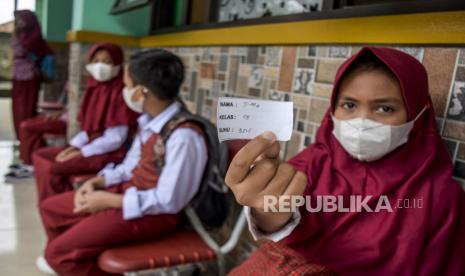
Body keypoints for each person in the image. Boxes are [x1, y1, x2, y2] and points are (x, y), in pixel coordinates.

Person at [226, 47, 465, 275]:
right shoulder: (314, 162)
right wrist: (267, 209)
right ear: (333, 109)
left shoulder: (441, 200)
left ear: (416, 115)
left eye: (384, 108)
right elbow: (278, 210)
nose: (362, 120)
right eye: (349, 105)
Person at [36, 49, 208, 275]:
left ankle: (74, 256)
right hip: (127, 193)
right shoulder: (149, 122)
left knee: (58, 255)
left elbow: (169, 201)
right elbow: (129, 166)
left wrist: (109, 200)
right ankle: (81, 254)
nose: (124, 91)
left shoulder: (184, 137)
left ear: (140, 93)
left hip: (152, 214)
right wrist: (99, 181)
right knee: (51, 209)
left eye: (126, 86)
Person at [32, 42, 138, 202]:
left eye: (108, 62)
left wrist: (81, 152)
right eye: (96, 61)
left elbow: (115, 140)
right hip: (90, 146)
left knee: (53, 168)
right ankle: (55, 203)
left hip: (109, 153)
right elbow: (87, 130)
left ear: (117, 64)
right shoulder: (94, 88)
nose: (100, 66)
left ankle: (62, 206)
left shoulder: (120, 93)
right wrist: (72, 147)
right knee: (41, 155)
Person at [5, 84, 68, 182]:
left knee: (27, 127)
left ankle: (30, 165)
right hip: (62, 116)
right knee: (26, 124)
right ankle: (28, 162)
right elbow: (69, 106)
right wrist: (61, 112)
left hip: (66, 122)